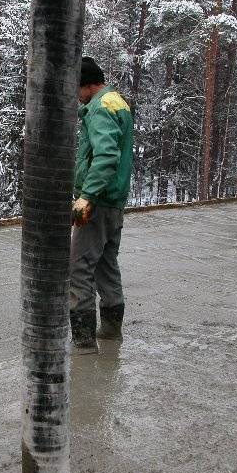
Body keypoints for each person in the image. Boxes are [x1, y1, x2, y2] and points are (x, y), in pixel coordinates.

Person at [70, 56, 133, 347]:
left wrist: (87, 197)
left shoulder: (98, 109)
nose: (76, 96)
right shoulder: (117, 101)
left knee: (79, 267)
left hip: (98, 202)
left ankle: (83, 344)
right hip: (114, 201)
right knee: (106, 264)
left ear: (86, 84)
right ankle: (109, 331)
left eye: (76, 88)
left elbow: (107, 156)